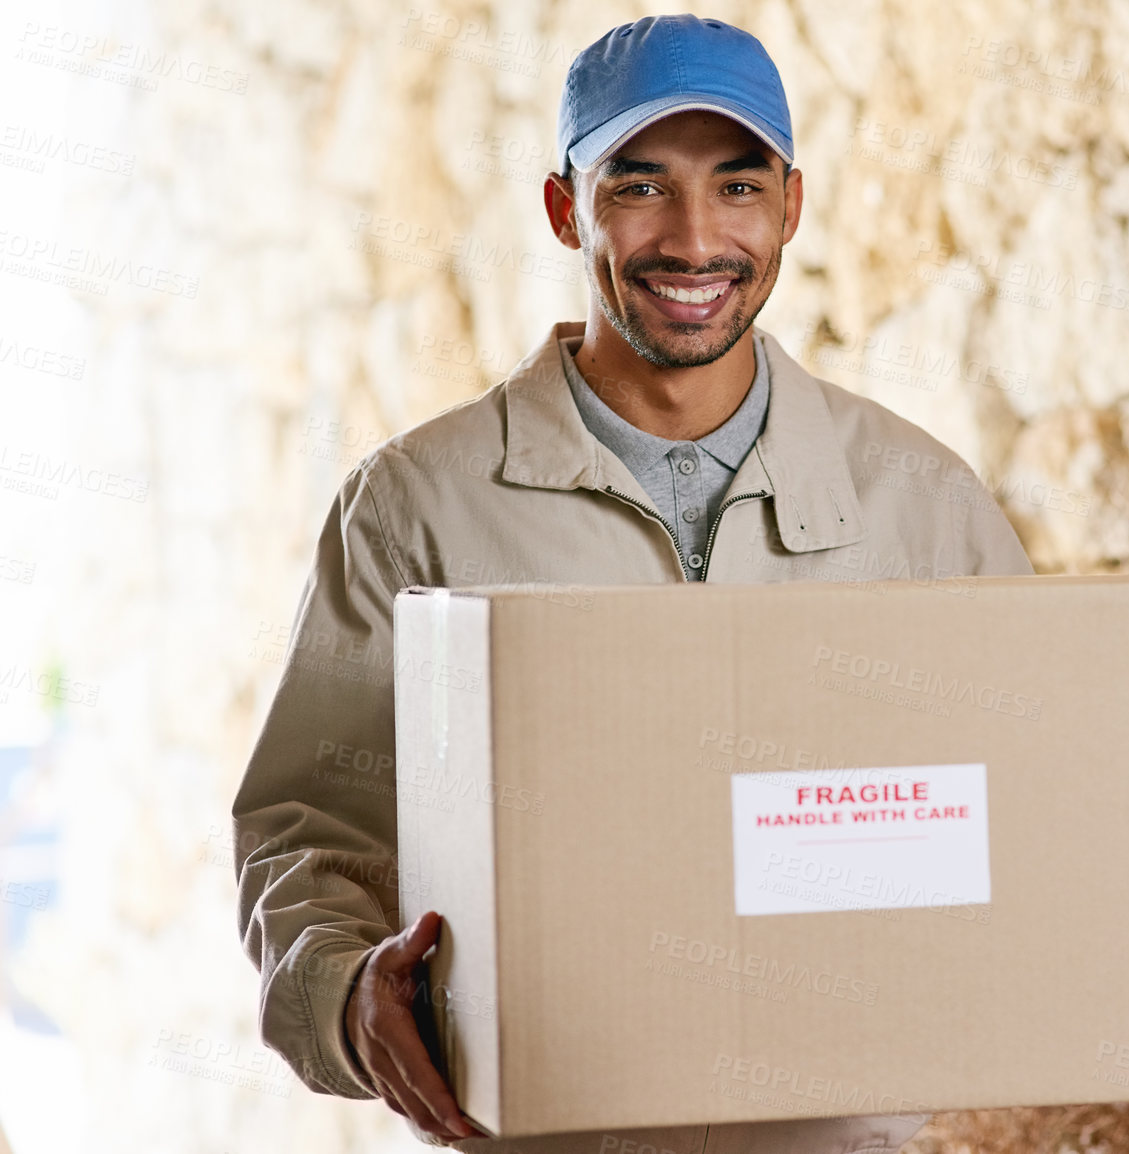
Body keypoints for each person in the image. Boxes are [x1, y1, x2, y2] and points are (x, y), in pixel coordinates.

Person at [232, 13, 1031, 1153]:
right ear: (567, 208)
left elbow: (1023, 812)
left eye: (739, 186)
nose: (695, 239)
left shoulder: (923, 502)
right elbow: (308, 825)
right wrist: (348, 994)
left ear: (791, 207)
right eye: (640, 185)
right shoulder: (417, 505)